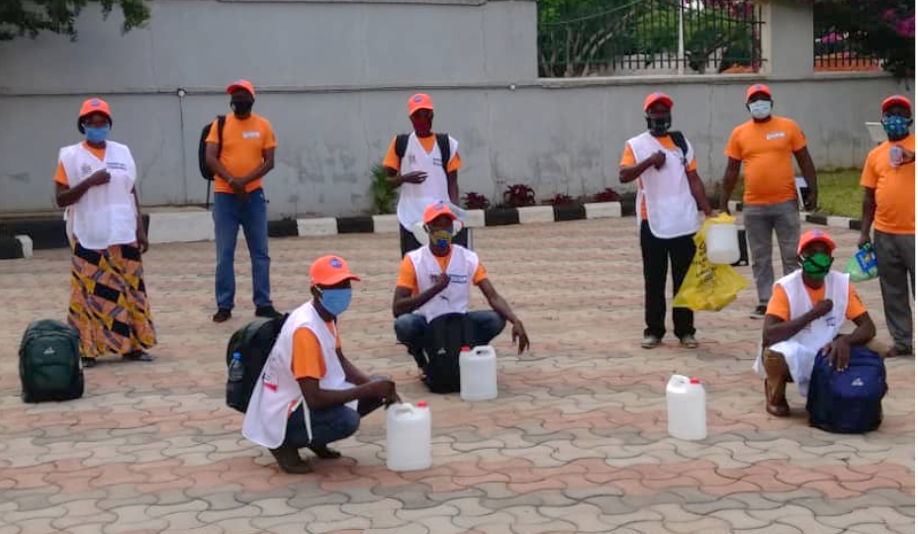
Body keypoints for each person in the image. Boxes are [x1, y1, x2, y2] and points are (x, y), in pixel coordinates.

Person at [243, 255, 400, 474]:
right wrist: (367, 389)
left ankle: (314, 437)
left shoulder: (326, 315)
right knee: (347, 420)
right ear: (316, 291)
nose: (343, 291)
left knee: (379, 384)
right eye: (335, 285)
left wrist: (377, 388)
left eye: (345, 284)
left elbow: (340, 360)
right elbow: (314, 399)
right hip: (286, 409)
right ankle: (284, 444)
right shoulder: (305, 331)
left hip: (305, 399)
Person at [54, 98, 157, 367]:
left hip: (123, 233)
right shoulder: (70, 156)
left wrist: (140, 229)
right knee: (90, 294)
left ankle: (133, 346)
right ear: (83, 125)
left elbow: (131, 190)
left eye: (102, 122)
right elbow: (60, 198)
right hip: (90, 235)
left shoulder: (122, 152)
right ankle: (88, 350)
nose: (97, 127)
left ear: (109, 125)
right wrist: (89, 182)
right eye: (91, 122)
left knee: (130, 291)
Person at [619, 92, 712, 350]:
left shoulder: (682, 143)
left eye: (664, 112)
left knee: (684, 280)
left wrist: (708, 211)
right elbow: (623, 175)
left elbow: (694, 178)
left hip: (684, 221)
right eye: (655, 112)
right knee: (655, 279)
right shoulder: (636, 145)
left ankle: (685, 330)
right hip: (653, 222)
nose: (660, 116)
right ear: (647, 116)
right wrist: (649, 161)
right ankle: (654, 331)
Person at [719, 84, 819, 318]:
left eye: (763, 98)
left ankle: (793, 300)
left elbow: (804, 160)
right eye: (755, 100)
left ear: (771, 103)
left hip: (786, 203)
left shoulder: (788, 127)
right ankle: (766, 301)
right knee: (760, 257)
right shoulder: (739, 133)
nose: (759, 103)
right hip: (754, 207)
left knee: (791, 255)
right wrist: (723, 202)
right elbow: (732, 170)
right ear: (748, 106)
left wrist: (814, 190)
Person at [393, 202, 530, 372]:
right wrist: (435, 289)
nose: (443, 230)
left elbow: (492, 296)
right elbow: (397, 308)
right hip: (427, 322)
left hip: (459, 322)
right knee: (404, 324)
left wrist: (515, 320)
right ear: (427, 228)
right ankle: (423, 359)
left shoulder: (467, 258)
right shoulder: (413, 260)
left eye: (447, 225)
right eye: (437, 225)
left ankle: (465, 352)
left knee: (495, 320)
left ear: (453, 228)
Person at [755, 230, 877, 417]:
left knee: (877, 347)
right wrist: (812, 314)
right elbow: (769, 335)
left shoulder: (841, 284)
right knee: (773, 355)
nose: (819, 258)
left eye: (824, 253)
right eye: (812, 253)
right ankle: (775, 393)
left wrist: (846, 341)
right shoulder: (786, 287)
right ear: (800, 259)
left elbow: (868, 326)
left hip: (827, 348)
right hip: (795, 347)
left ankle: (853, 389)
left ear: (831, 259)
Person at [205, 79, 280, 323]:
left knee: (260, 252)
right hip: (224, 195)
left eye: (242, 96)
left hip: (253, 196)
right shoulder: (220, 124)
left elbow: (269, 161)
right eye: (235, 96)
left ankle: (263, 303)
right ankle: (224, 304)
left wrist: (244, 181)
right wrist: (231, 180)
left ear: (252, 99)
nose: (238, 100)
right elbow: (210, 157)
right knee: (224, 253)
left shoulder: (263, 125)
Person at [858, 95, 915, 358]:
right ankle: (902, 342)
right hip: (885, 233)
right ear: (882, 120)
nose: (895, 118)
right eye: (890, 114)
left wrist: (910, 157)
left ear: (910, 119)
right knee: (893, 291)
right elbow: (868, 198)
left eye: (900, 113)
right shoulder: (875, 155)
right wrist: (863, 232)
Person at [382, 93, 469, 256]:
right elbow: (387, 180)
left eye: (426, 114)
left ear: (432, 116)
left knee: (443, 262)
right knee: (413, 265)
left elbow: (452, 182)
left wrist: (455, 212)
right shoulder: (401, 143)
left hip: (440, 217)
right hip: (411, 216)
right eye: (417, 116)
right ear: (411, 119)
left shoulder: (446, 143)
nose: (422, 120)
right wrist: (405, 178)